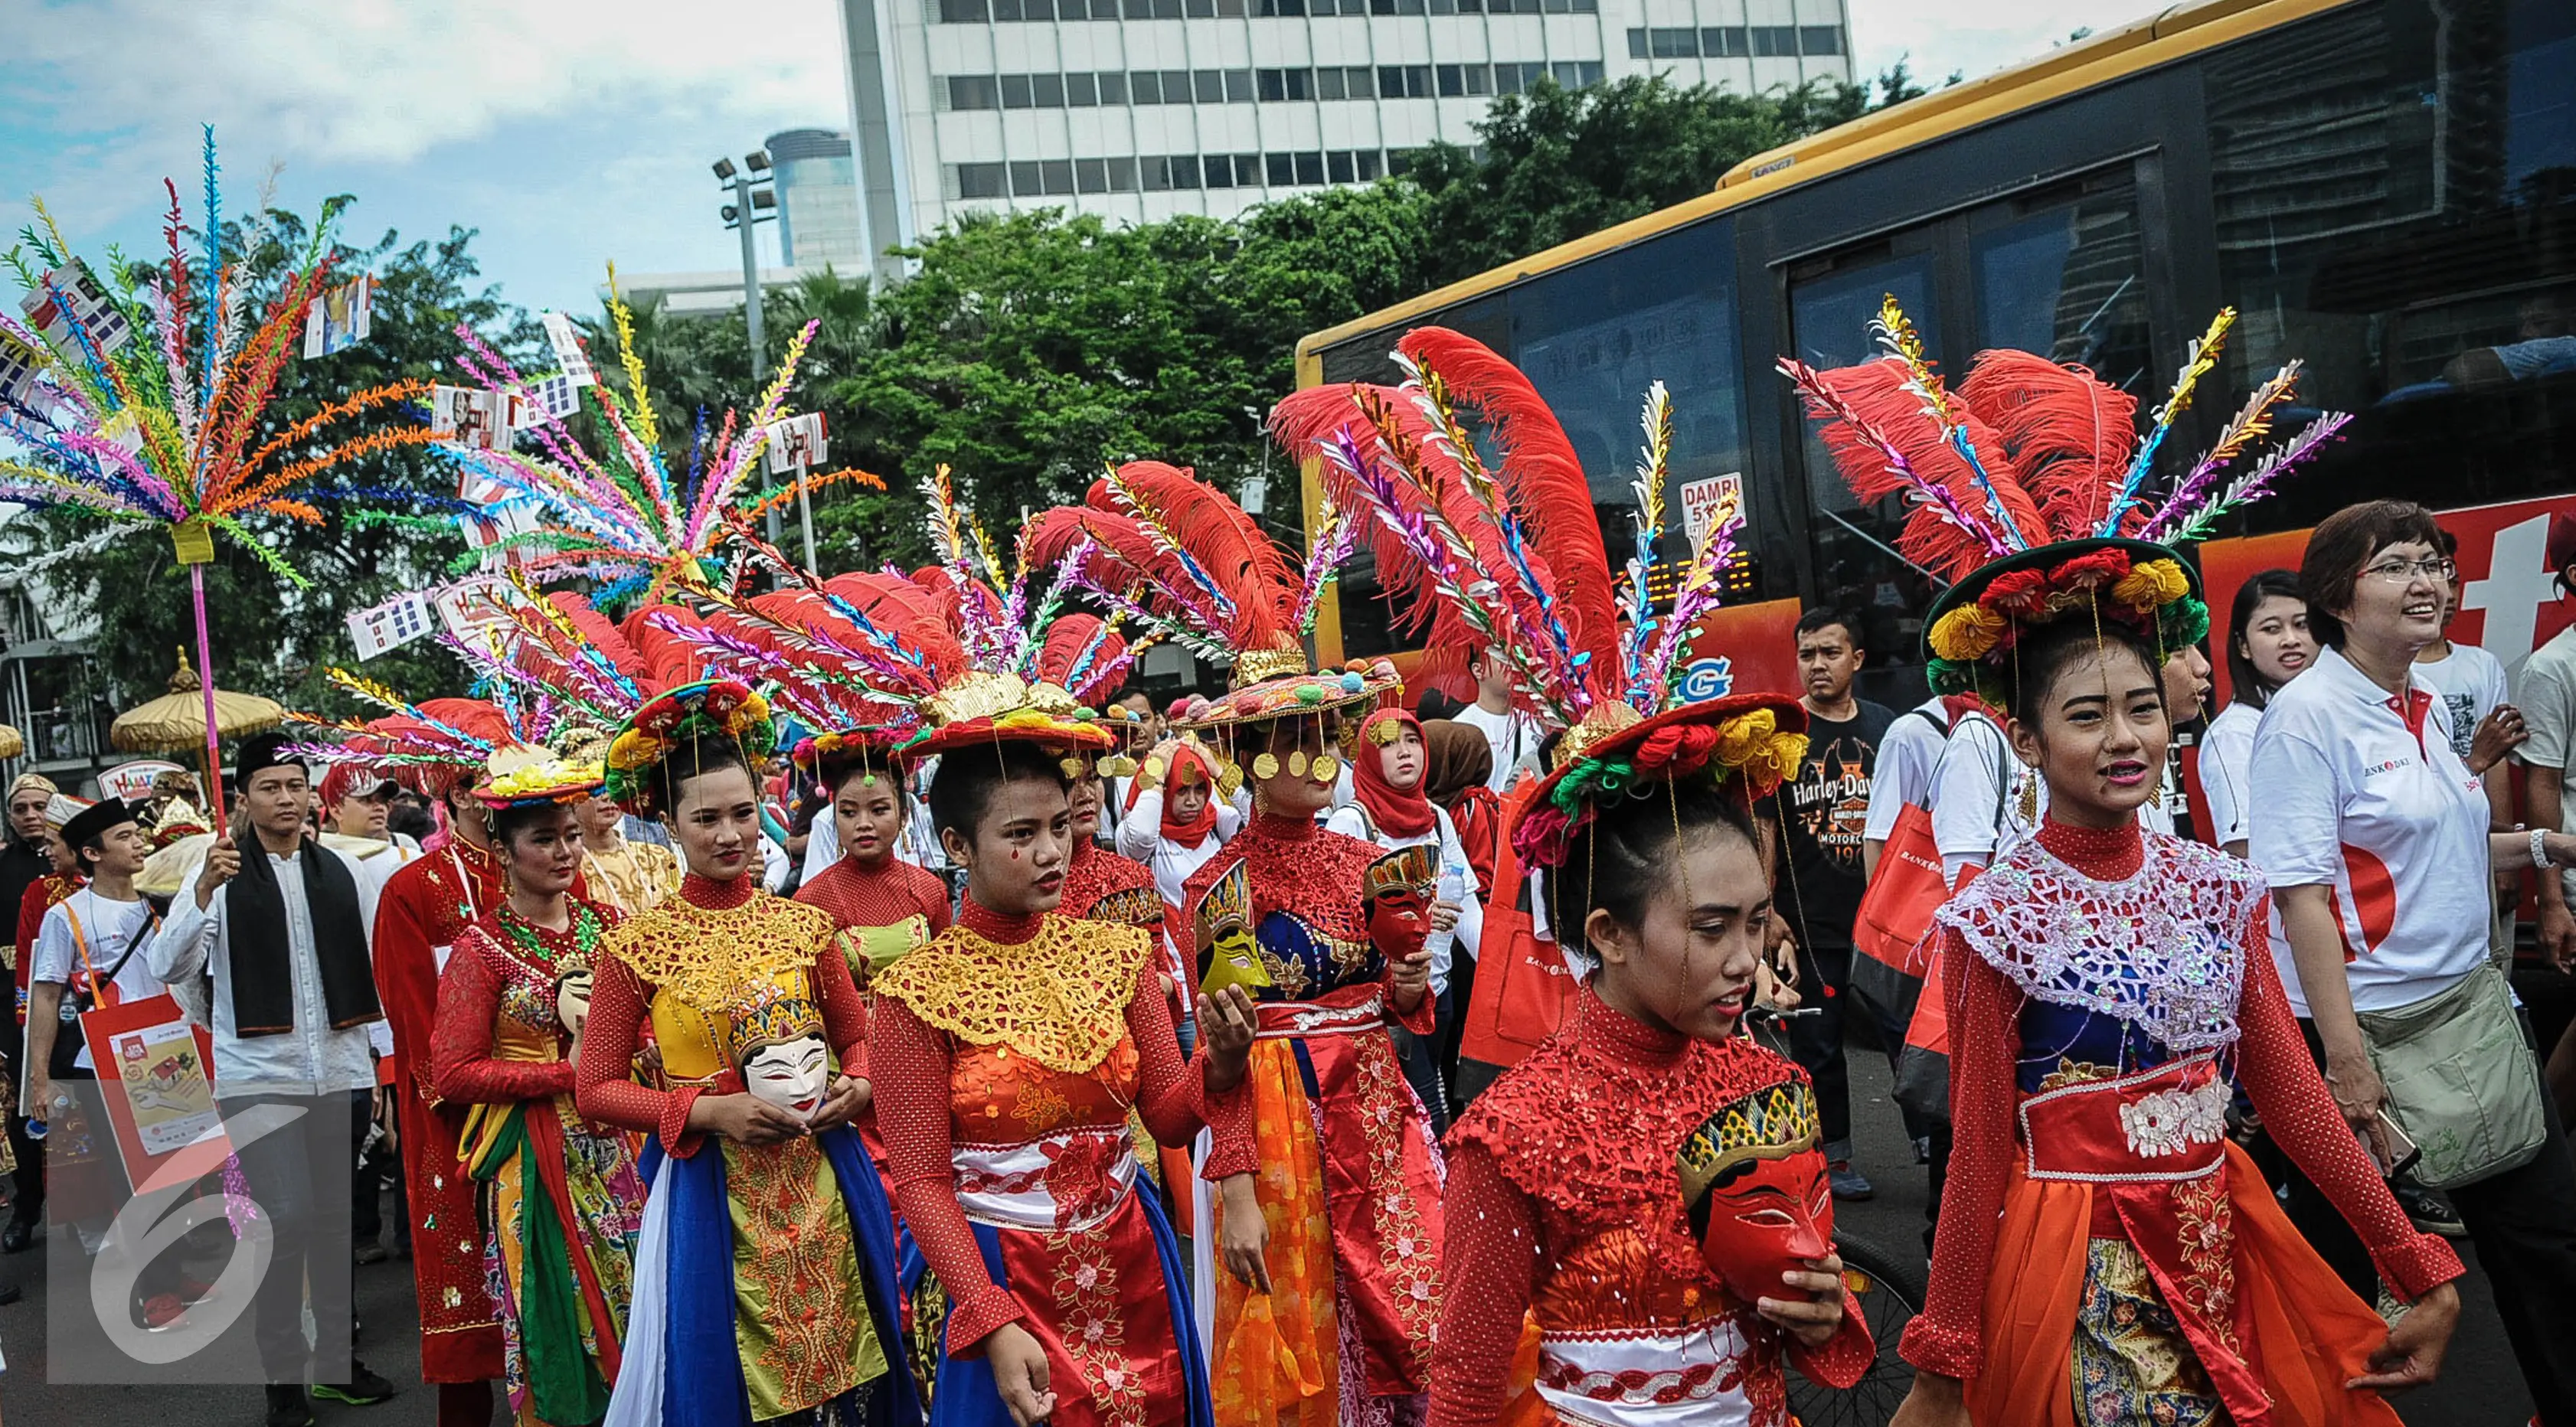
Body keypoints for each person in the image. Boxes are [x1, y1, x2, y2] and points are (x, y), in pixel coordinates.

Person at [1432, 693, 1872, 1423]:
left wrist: (1823, 1315)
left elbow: (1798, 1315)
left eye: (1758, 922)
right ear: (1609, 934)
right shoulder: (1512, 1133)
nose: (1745, 961)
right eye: (1711, 928)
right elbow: (1467, 1386)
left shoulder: (1774, 1086)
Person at [2248, 500, 2576, 1422]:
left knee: (2545, 1239)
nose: (2427, 580)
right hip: (2371, 1038)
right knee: (2347, 1273)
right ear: (2337, 599)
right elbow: (2301, 896)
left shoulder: (2420, 707)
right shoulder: (2306, 719)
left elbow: (2441, 848)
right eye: (2395, 565)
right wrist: (2345, 1062)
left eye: (2433, 562)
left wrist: (2549, 849)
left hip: (2471, 1018)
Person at [871, 684, 1257, 1427]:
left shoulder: (1113, 953)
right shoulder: (915, 991)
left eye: (1057, 825)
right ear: (957, 846)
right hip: (1000, 1272)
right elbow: (919, 1181)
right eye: (1022, 833)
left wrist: (1223, 1063)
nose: (1051, 851)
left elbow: (1170, 1120)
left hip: (1132, 1248)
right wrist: (989, 1314)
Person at [572, 681, 919, 1427]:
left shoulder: (802, 926)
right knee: (727, 1378)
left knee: (855, 1358)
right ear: (668, 822)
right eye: (706, 818)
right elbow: (593, 1088)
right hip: (710, 1195)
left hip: (826, 1174)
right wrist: (704, 1108)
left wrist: (858, 1081)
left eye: (741, 813)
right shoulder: (635, 948)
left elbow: (855, 1034)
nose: (730, 834)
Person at [151, 732, 400, 1427]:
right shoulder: (221, 880)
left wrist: (375, 1067)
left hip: (341, 1071)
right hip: (259, 1075)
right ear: (244, 799)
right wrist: (200, 889)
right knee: (283, 1220)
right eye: (270, 787)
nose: (285, 798)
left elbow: (370, 974)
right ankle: (281, 1377)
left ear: (308, 793)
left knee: (333, 1222)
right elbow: (173, 971)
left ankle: (336, 1366)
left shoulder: (341, 873)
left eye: (294, 784)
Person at [430, 754, 646, 1427]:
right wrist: (564, 1075)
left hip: (623, 1145)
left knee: (644, 1294)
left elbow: (649, 1029)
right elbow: (454, 1072)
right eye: (543, 840)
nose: (564, 852)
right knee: (558, 1303)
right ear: (501, 848)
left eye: (570, 835)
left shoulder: (610, 926)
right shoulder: (482, 948)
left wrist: (628, 1058)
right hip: (534, 1156)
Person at [367, 700, 527, 1426]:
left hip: (555, 1104)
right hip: (456, 1116)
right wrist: (480, 1090)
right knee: (467, 1290)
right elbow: (414, 1018)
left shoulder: (553, 875)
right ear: (461, 792)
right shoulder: (412, 891)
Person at [25, 798, 173, 1317]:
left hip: (169, 1051)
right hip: (104, 1059)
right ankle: (150, 1292)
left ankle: (173, 1273)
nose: (139, 843)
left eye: (139, 834)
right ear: (91, 852)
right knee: (128, 1175)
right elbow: (45, 995)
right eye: (125, 836)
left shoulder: (160, 903)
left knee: (174, 1165)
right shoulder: (66, 916)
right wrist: (38, 1081)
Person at [1774, 606, 1897, 1200]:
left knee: (1907, 1033)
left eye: (1829, 653)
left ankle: (1933, 1137)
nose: (1817, 666)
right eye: (1807, 655)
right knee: (1819, 1051)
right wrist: (1770, 913)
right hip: (1813, 923)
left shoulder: (1887, 728)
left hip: (1887, 920)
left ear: (1858, 659)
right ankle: (1837, 1158)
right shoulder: (1785, 738)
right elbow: (1763, 825)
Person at [1325, 707, 1484, 1128]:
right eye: (1389, 744)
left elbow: (1466, 903)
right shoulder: (1352, 822)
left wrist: (1497, 972)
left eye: (1412, 741)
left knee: (1443, 1100)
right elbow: (1340, 917)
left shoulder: (1437, 818)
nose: (1404, 752)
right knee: (1425, 1114)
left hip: (1440, 988)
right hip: (1387, 1003)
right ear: (1369, 758)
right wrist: (1411, 914)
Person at [2516, 511, 2576, 1116]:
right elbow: (2544, 782)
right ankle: (2547, 1135)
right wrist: (2552, 900)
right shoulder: (2553, 668)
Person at [2201, 569, 2313, 858]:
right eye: (2272, 629)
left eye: (2302, 624)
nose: (2290, 640)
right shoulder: (2234, 734)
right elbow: (2244, 848)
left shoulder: (2331, 712)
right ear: (2244, 646)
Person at [3, 777, 69, 1255]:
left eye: (40, 807)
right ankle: (28, 1207)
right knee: (23, 1113)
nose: (31, 815)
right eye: (21, 807)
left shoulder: (77, 867)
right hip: (12, 1003)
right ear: (9, 816)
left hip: (77, 998)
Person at [1451, 646, 1541, 794]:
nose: (1513, 665)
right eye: (1502, 658)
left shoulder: (1535, 724)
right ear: (1479, 671)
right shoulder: (1460, 728)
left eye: (1514, 657)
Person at [574, 791, 677, 915]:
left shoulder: (658, 856)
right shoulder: (572, 869)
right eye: (595, 792)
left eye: (613, 788)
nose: (607, 797)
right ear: (571, 803)